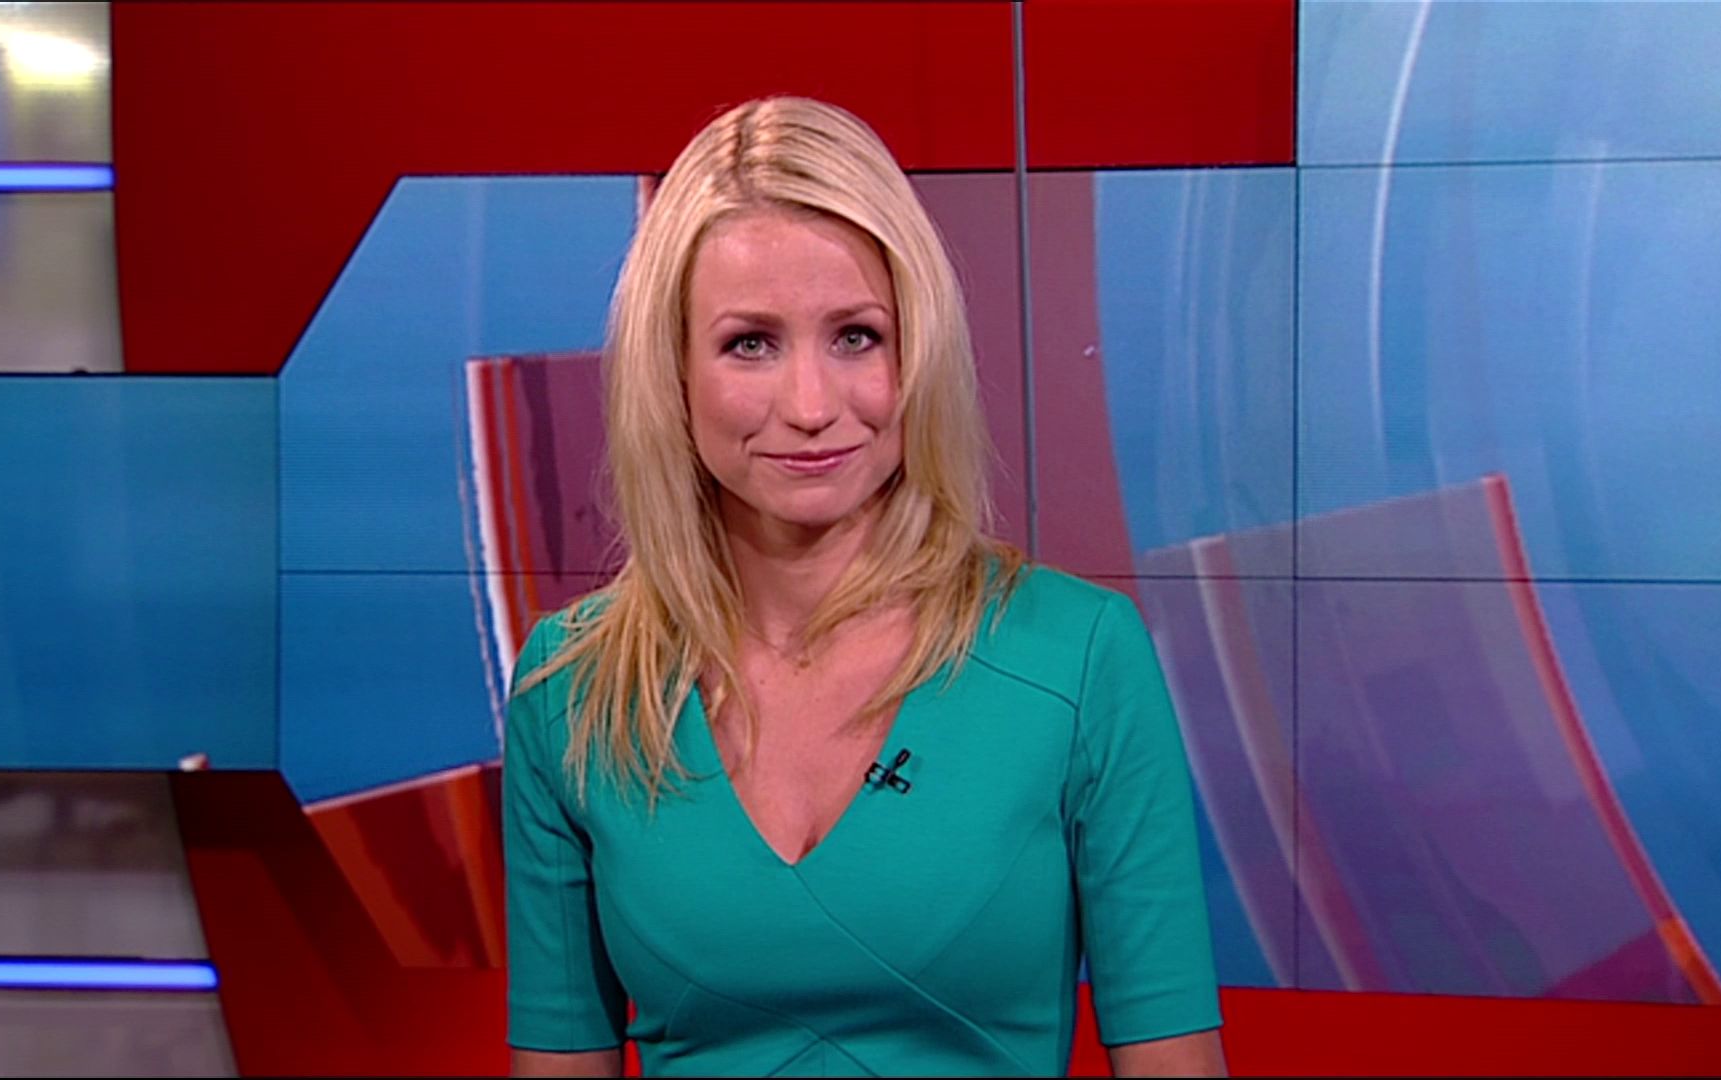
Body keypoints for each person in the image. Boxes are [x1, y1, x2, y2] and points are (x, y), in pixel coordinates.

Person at [504, 96, 1224, 1078]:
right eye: (750, 343)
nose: (811, 407)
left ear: (917, 353)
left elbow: (1173, 1060)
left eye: (855, 337)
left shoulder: (1081, 657)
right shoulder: (573, 690)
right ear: (670, 373)